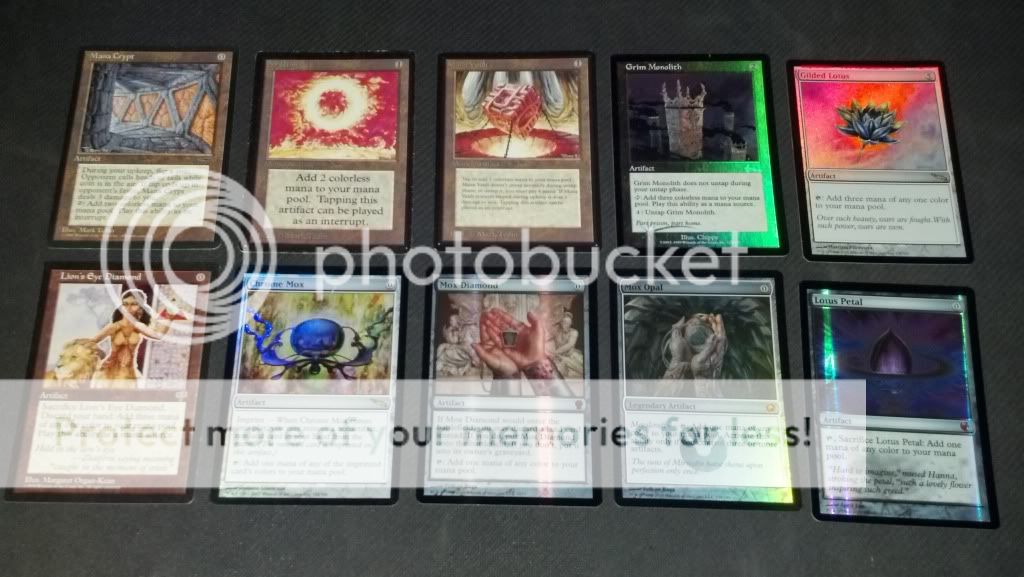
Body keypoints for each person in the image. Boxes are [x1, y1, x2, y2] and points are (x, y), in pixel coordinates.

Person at [89, 289, 183, 388]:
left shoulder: (138, 326)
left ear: (140, 307)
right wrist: (98, 355)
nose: (128, 308)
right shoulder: (114, 327)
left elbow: (158, 335)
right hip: (108, 371)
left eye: (134, 304)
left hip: (129, 372)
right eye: (125, 304)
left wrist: (169, 317)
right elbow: (92, 342)